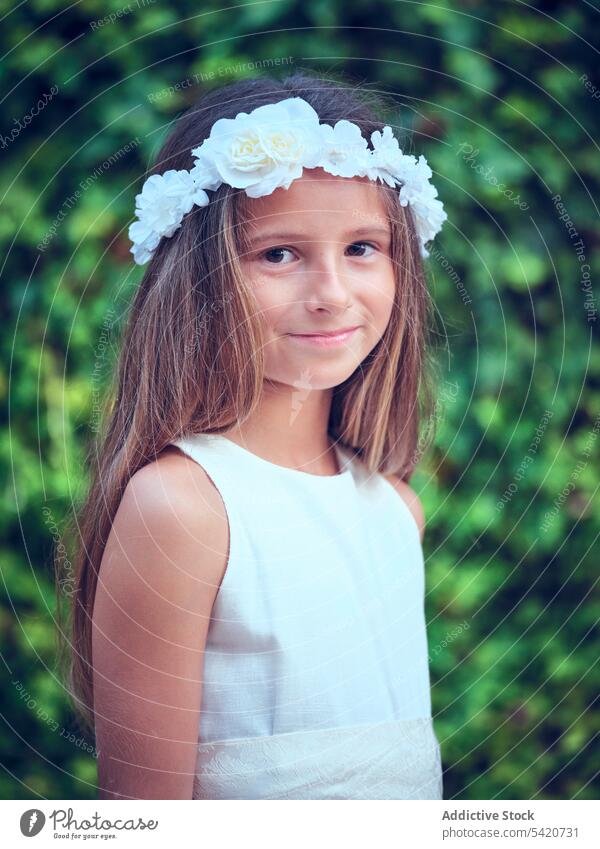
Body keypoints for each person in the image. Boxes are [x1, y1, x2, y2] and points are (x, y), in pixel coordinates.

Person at [66, 71, 447, 800]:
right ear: (200, 280)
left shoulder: (394, 506)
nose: (332, 291)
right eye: (279, 253)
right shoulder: (183, 508)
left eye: (363, 247)